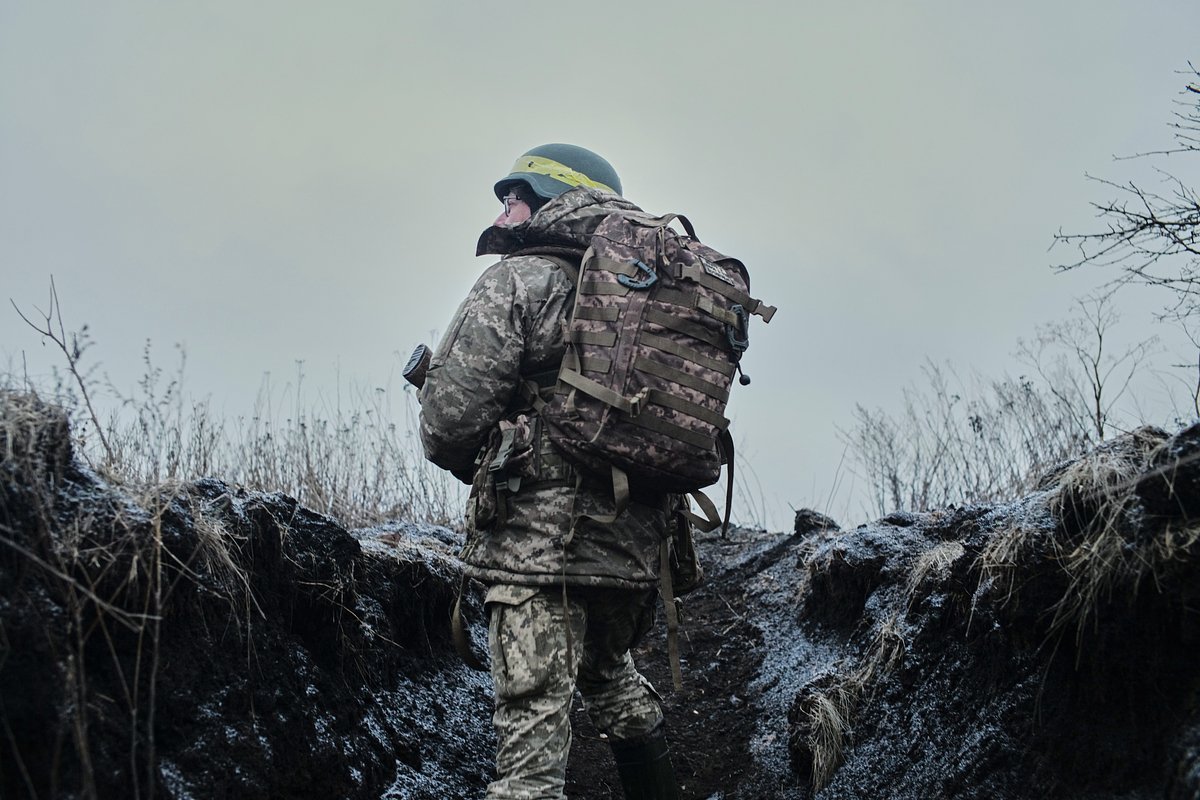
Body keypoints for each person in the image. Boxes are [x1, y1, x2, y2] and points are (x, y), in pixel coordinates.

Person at [419, 143, 683, 800]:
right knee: (609, 674)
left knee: (531, 718)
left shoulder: (519, 280)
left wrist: (483, 465)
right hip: (634, 549)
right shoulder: (651, 286)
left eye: (517, 193)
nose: (505, 207)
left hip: (539, 548)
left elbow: (449, 422)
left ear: (554, 198)